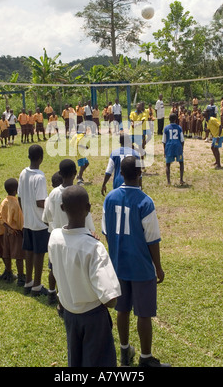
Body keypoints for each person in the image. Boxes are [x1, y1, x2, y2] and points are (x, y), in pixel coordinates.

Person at [102, 156, 170, 368]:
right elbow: (152, 239)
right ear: (140, 173)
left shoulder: (110, 198)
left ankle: (124, 351)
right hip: (140, 267)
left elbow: (106, 231)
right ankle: (146, 357)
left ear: (121, 173)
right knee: (144, 313)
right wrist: (158, 267)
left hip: (118, 265)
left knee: (122, 309)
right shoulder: (145, 202)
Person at [48, 185, 121, 367]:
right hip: (93, 316)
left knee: (76, 361)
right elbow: (111, 299)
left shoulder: (55, 238)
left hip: (70, 314)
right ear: (88, 209)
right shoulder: (94, 248)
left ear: (62, 208)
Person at [42, 159, 96, 309]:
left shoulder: (52, 194)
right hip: (77, 241)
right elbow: (88, 219)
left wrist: (55, 230)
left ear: (60, 173)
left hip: (57, 241)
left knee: (56, 270)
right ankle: (64, 304)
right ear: (75, 173)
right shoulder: (79, 194)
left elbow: (46, 219)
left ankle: (55, 296)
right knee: (72, 274)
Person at [17, 144, 49, 296]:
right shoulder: (40, 177)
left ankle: (28, 281)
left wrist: (25, 212)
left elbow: (19, 197)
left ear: (29, 157)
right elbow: (40, 202)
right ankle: (37, 285)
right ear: (41, 158)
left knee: (29, 251)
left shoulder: (23, 173)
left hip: (28, 221)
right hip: (40, 222)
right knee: (39, 253)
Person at [0, 178, 25, 286]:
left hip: (7, 231)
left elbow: (0, 217)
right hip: (17, 232)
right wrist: (21, 231)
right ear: (16, 189)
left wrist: (8, 228)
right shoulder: (17, 203)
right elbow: (19, 220)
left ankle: (8, 272)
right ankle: (21, 276)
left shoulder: (4, 201)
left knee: (7, 253)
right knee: (19, 256)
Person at [162, 113, 185, 186]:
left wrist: (164, 150)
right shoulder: (179, 127)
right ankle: (181, 179)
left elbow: (164, 141)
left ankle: (168, 182)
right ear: (176, 120)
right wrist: (182, 149)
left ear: (169, 119)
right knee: (181, 163)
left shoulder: (166, 128)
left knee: (168, 164)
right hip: (178, 147)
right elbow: (182, 140)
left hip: (169, 147)